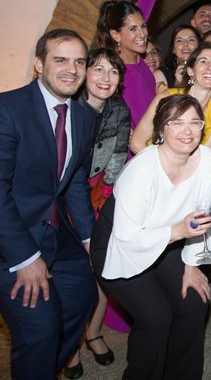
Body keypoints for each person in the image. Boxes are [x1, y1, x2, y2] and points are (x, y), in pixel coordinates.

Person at [91, 94, 211, 380]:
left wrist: (191, 267)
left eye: (194, 122)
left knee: (194, 303)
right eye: (177, 123)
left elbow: (200, 216)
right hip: (118, 247)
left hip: (168, 245)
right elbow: (127, 239)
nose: (187, 131)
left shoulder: (207, 160)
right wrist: (177, 231)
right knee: (156, 318)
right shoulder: (141, 170)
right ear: (161, 130)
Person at [0, 29, 97, 379]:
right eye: (61, 59)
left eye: (79, 61)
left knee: (83, 295)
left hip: (57, 234)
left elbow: (73, 186)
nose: (71, 69)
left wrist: (89, 240)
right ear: (39, 64)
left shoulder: (84, 117)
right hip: (10, 239)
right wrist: (24, 258)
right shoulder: (7, 109)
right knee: (39, 329)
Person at [64, 48, 130, 378]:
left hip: (100, 193)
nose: (105, 78)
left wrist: (106, 201)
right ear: (84, 74)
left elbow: (117, 157)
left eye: (112, 72)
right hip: (62, 199)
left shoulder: (119, 109)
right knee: (73, 277)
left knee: (102, 270)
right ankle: (71, 345)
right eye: (98, 70)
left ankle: (94, 333)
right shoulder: (69, 108)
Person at [96, 0, 181, 129]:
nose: (142, 34)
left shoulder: (140, 61)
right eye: (132, 29)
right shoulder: (119, 72)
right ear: (116, 35)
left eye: (143, 26)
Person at [130, 43, 211, 154]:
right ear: (190, 71)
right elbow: (136, 143)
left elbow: (201, 160)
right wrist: (160, 169)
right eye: (203, 61)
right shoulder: (165, 99)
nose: (210, 67)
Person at [160, 25, 201, 89]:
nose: (185, 44)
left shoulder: (207, 71)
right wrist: (177, 85)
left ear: (199, 46)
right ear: (173, 48)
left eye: (191, 40)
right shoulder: (162, 75)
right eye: (179, 40)